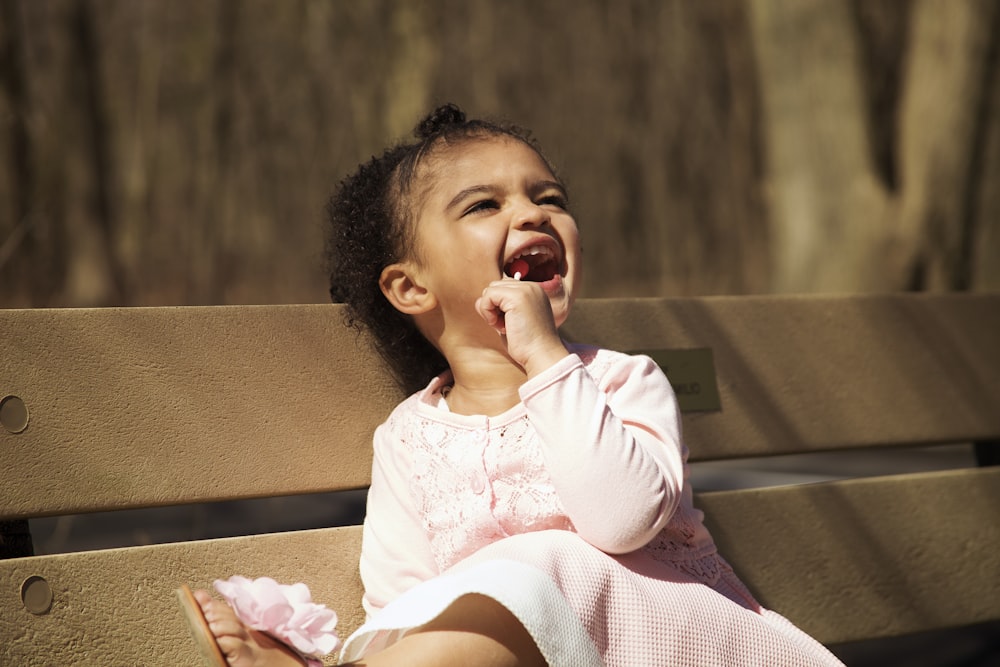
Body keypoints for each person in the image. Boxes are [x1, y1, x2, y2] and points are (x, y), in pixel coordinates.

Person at [188, 103, 845, 666]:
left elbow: (621, 522)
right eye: (485, 204)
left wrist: (546, 358)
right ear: (410, 287)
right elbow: (404, 603)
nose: (533, 213)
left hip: (688, 643)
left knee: (546, 561)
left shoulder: (622, 380)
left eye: (549, 197)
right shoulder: (408, 440)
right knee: (483, 597)